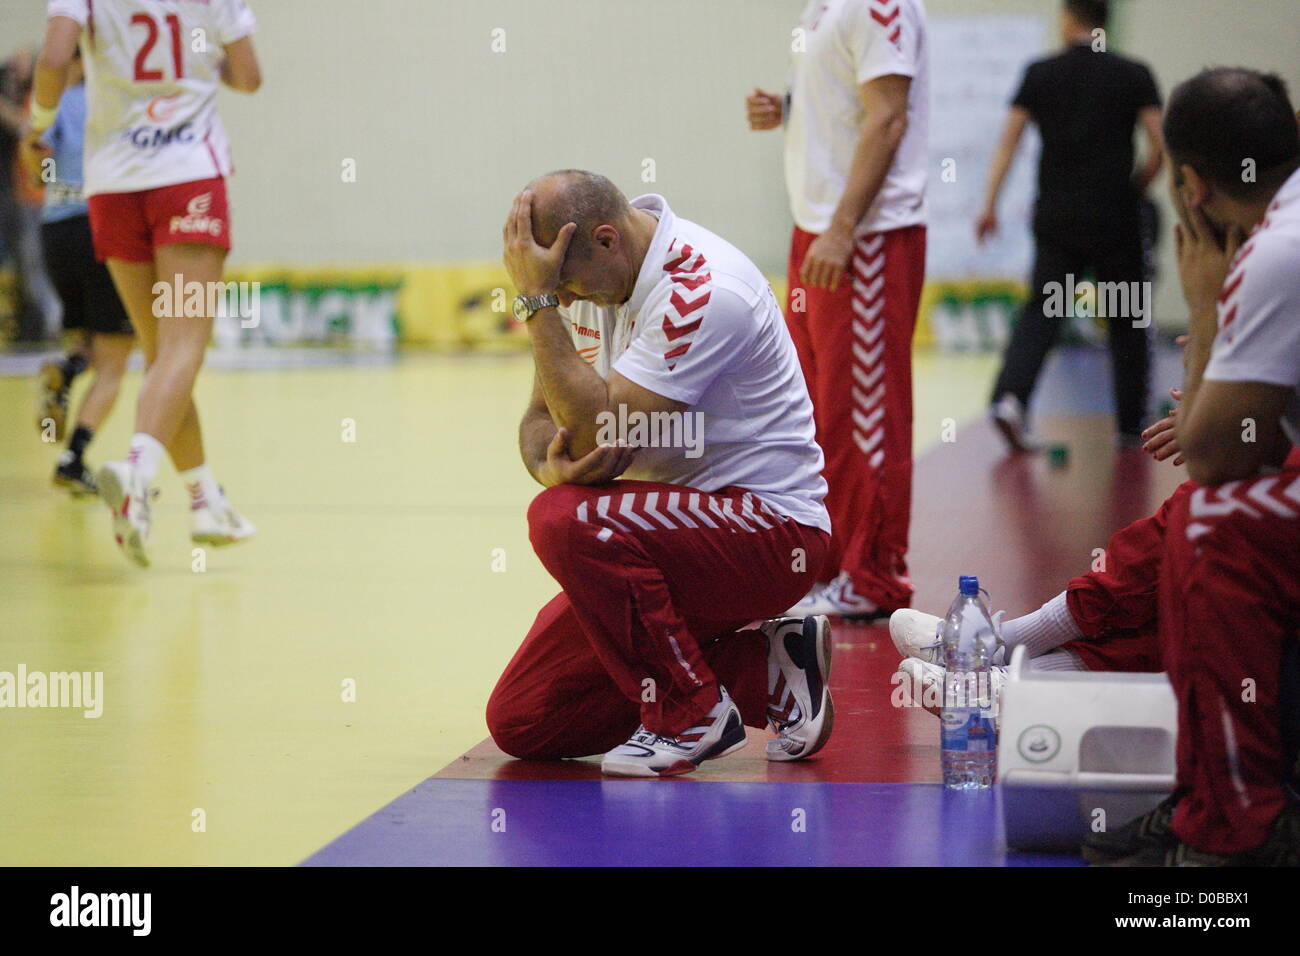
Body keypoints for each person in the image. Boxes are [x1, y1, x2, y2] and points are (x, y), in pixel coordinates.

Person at [896, 68, 1300, 866]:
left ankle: (1230, 829)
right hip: (1105, 224)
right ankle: (1014, 665)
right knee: (1189, 534)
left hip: (1064, 220)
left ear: (1192, 184)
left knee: (1204, 520)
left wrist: (1211, 314)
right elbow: (1245, 440)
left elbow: (1221, 458)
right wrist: (1214, 407)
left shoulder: (1275, 251)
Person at [486, 170, 835, 777]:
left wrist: (537, 306)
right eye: (552, 291)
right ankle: (768, 671)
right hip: (663, 536)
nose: (563, 300)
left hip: (771, 533)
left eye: (562, 284)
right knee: (524, 718)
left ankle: (690, 716)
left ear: (605, 239)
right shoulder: (601, 283)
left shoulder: (701, 290)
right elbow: (539, 422)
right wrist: (552, 464)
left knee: (566, 521)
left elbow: (598, 429)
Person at [24, 0, 261, 566]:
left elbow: (55, 56)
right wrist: (204, 69)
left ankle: (205, 500)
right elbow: (249, 76)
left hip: (111, 186)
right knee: (184, 349)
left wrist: (38, 125)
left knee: (161, 356)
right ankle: (137, 471)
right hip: (186, 179)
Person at [747, 0, 929, 619]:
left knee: (865, 409)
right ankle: (827, 563)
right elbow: (848, 106)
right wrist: (789, 109)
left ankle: (875, 575)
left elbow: (888, 118)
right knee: (818, 403)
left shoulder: (884, 5)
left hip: (864, 235)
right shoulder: (823, 7)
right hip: (818, 226)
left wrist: (844, 228)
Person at [978, 0, 1164, 451]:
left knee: (1043, 311)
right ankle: (1130, 422)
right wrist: (1139, 183)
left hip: (1058, 215)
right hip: (1116, 215)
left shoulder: (1040, 73)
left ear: (1067, 20)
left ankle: (1011, 400)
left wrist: (989, 205)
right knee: (1126, 315)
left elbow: (1009, 142)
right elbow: (1161, 142)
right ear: (1105, 21)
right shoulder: (1133, 73)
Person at [21, 49, 134, 495]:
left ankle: (67, 370)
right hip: (101, 226)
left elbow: (37, 166)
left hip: (55, 231)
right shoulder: (108, 99)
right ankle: (73, 458)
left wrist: (50, 173)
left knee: (88, 338)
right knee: (116, 361)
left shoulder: (48, 106)